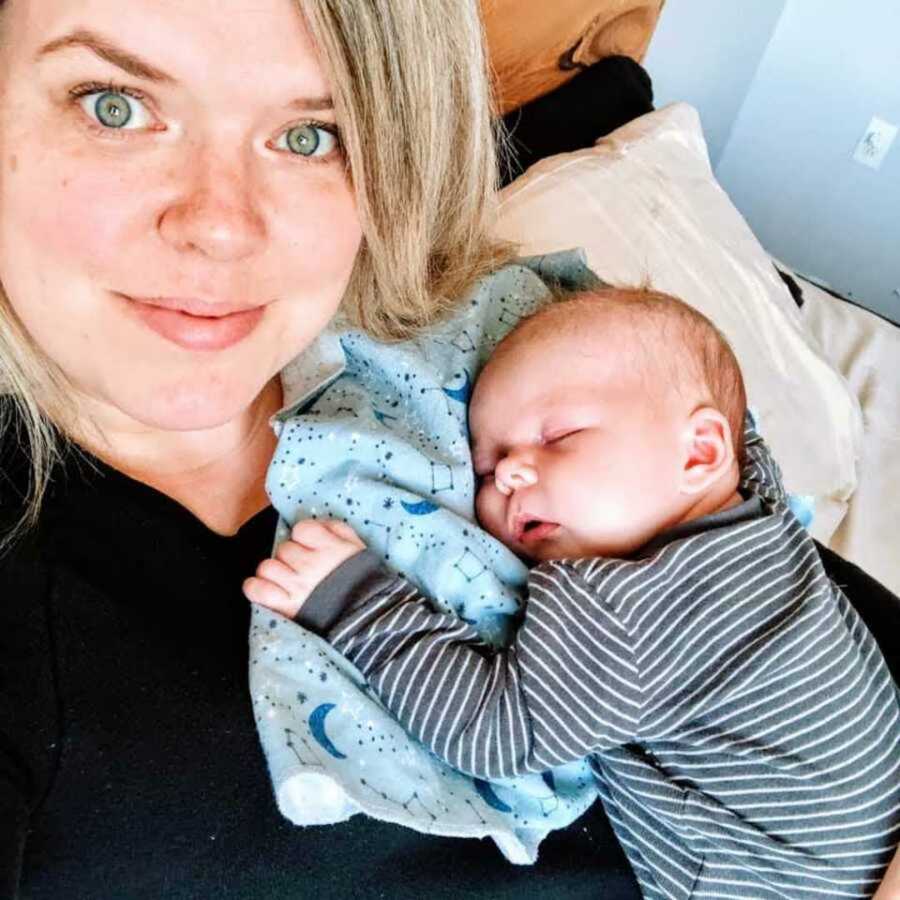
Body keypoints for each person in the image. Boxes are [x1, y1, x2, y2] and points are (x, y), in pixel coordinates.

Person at [0, 1, 897, 898]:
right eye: (111, 105)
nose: (222, 226)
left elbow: (814, 624)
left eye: (314, 134)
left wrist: (360, 605)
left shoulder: (513, 343)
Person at [245, 289, 900, 898]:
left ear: (701, 453)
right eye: (485, 465)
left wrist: (362, 603)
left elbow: (491, 729)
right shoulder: (759, 507)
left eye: (557, 437)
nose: (508, 471)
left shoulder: (633, 608)